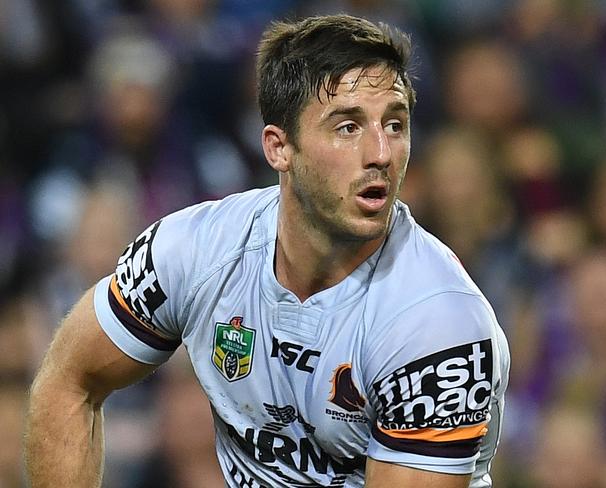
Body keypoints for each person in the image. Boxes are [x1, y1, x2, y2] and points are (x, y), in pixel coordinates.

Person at [25, 14, 510, 488]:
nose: (380, 152)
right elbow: (70, 382)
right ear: (279, 148)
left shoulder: (438, 325)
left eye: (396, 124)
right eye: (347, 127)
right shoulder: (195, 252)